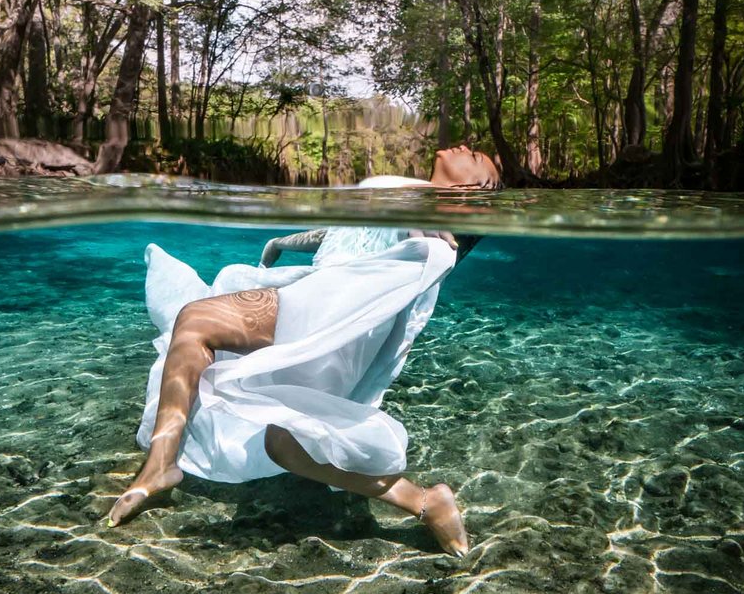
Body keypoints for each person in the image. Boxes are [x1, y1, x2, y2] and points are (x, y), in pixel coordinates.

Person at [106, 145, 500, 556]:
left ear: (475, 193)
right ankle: (423, 501)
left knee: (196, 320)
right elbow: (340, 232)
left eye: (476, 154)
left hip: (330, 315)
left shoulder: (431, 220)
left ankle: (161, 466)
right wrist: (280, 242)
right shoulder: (405, 190)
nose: (464, 146)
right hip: (322, 308)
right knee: (286, 443)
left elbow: (434, 244)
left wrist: (443, 232)